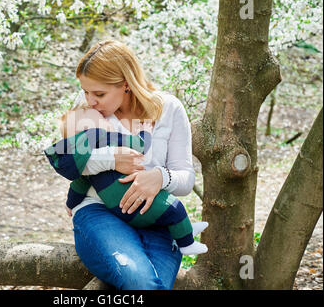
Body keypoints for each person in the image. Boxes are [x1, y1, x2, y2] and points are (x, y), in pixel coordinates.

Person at [50, 39, 202, 290]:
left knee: (153, 285)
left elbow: (186, 177)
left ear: (127, 85)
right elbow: (65, 160)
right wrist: (111, 159)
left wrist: (160, 177)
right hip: (98, 213)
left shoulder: (169, 109)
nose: (90, 100)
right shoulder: (87, 111)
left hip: (154, 217)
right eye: (85, 91)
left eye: (99, 94)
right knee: (139, 279)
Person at [44, 106, 208, 255]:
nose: (108, 121)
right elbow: (140, 145)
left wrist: (69, 204)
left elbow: (77, 187)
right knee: (173, 207)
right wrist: (145, 131)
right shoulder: (103, 137)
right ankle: (186, 243)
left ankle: (185, 230)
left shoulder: (85, 163)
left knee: (164, 214)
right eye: (101, 119)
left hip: (120, 209)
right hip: (135, 197)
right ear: (88, 128)